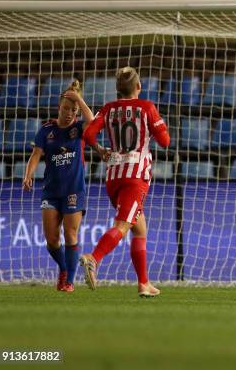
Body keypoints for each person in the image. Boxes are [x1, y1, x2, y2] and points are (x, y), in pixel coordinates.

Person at [79, 67, 170, 298]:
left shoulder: (108, 109)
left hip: (113, 176)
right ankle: (94, 258)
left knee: (140, 229)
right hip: (135, 177)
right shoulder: (147, 108)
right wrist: (158, 125)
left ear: (117, 89)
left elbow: (89, 134)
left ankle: (144, 283)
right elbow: (165, 141)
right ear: (138, 87)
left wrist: (100, 150)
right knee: (123, 226)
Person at [23, 80, 95, 292]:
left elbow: (92, 120)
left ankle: (70, 281)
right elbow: (36, 154)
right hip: (51, 191)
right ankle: (64, 267)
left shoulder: (79, 128)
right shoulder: (47, 129)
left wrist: (79, 100)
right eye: (65, 109)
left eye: (73, 110)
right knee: (52, 240)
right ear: (58, 107)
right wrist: (28, 175)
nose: (69, 113)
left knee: (71, 234)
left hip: (74, 190)